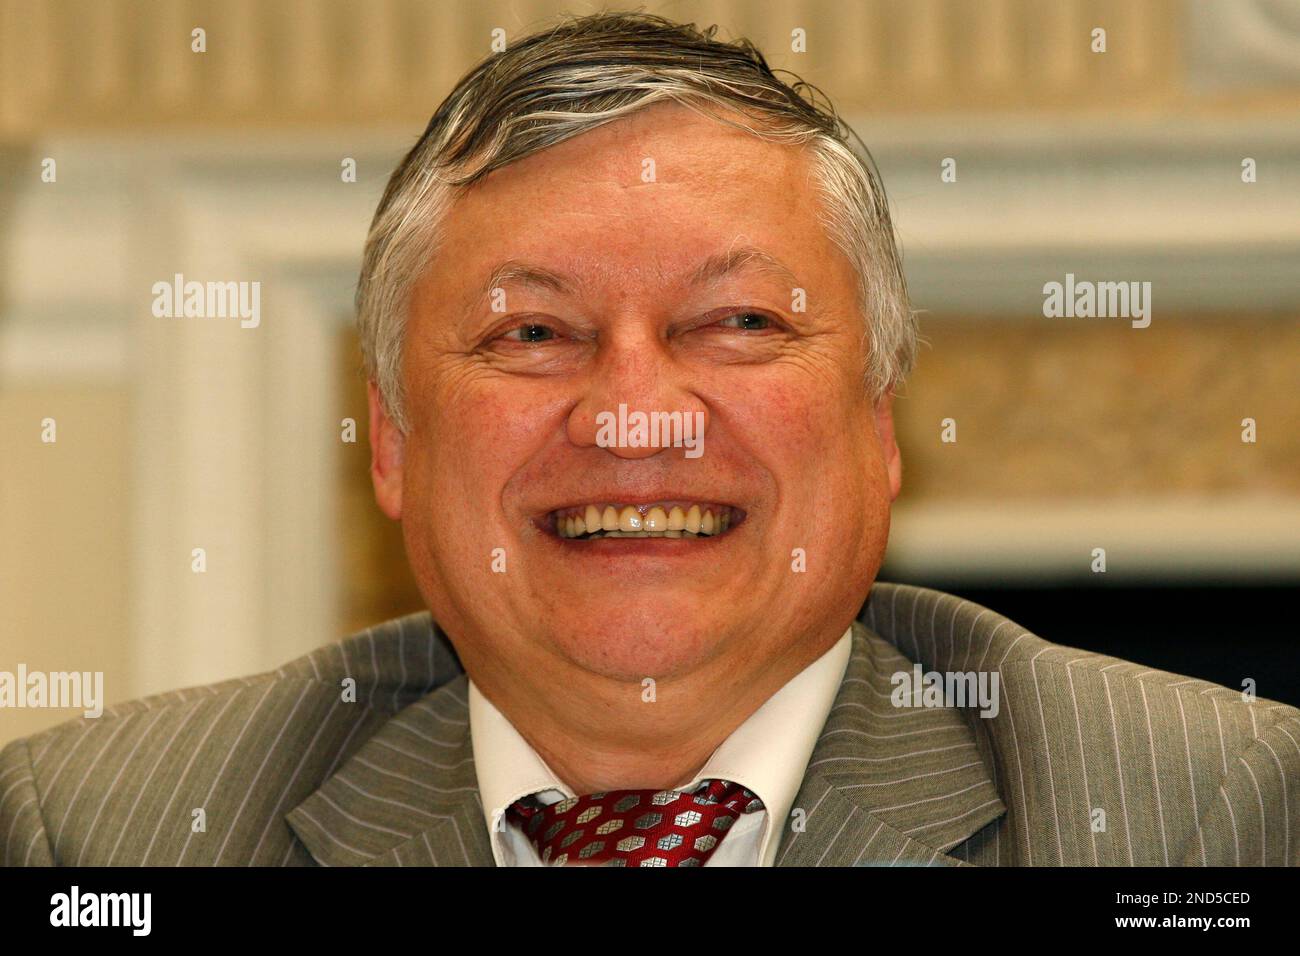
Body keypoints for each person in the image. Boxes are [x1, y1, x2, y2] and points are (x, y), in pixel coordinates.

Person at [3, 11, 1297, 868]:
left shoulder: (1197, 820)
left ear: (879, 422)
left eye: (735, 322)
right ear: (391, 444)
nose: (635, 416)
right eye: (532, 336)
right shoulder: (110, 838)